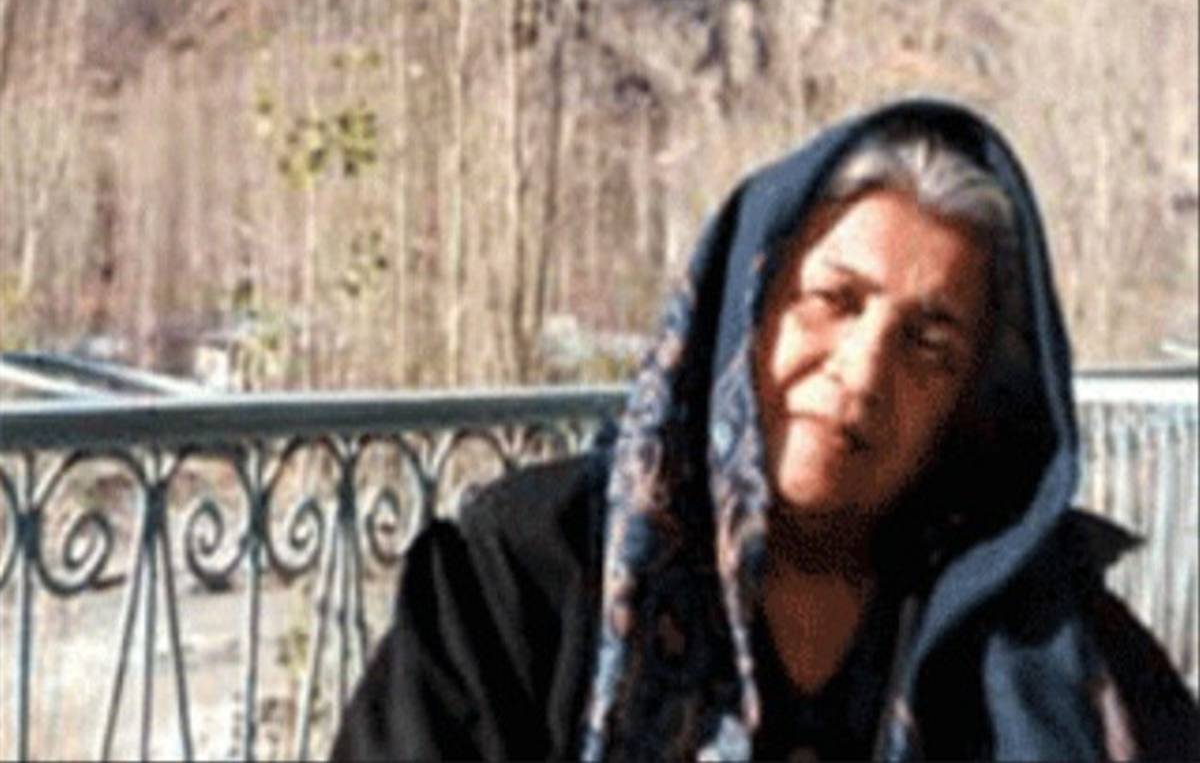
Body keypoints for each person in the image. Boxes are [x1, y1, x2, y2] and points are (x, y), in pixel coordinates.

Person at [331, 99, 1200, 760]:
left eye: (929, 346)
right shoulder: (525, 576)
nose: (863, 372)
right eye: (833, 300)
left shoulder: (1048, 635)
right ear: (744, 307)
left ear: (968, 404)